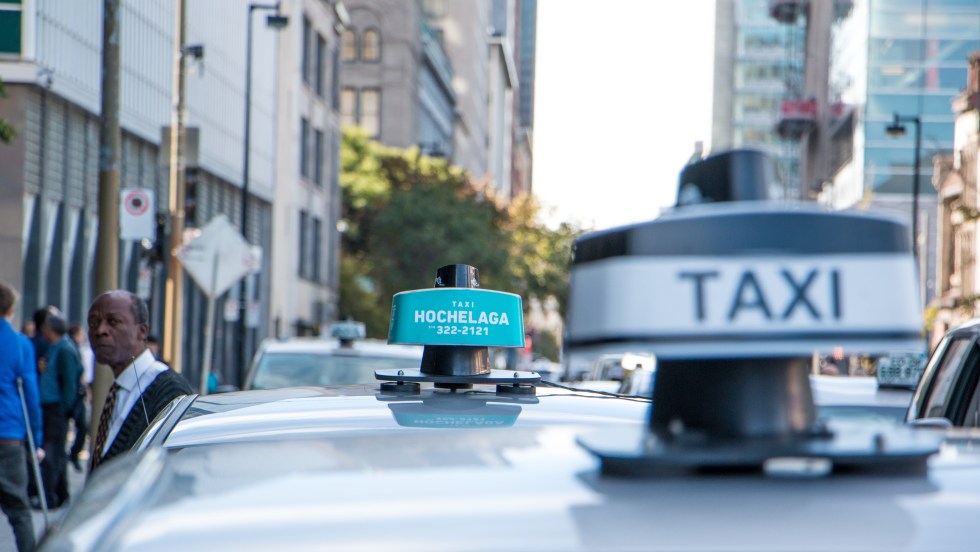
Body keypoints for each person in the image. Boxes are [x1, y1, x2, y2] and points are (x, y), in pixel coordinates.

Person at [87, 290, 192, 471]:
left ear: (141, 331)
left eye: (114, 322)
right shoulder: (119, 388)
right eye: (93, 323)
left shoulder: (169, 390)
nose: (100, 330)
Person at [0, 282, 43, 552]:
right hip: (9, 436)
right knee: (19, 509)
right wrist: (35, 440)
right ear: (12, 310)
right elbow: (30, 395)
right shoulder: (20, 344)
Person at [37, 313, 81, 508]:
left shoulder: (65, 349)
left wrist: (63, 408)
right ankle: (59, 494)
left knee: (52, 454)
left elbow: (70, 383)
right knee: (55, 453)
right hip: (50, 406)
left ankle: (52, 497)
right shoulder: (55, 348)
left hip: (56, 409)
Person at [67, 323, 93, 471]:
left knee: (82, 427)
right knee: (82, 426)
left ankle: (74, 454)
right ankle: (74, 454)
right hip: (75, 396)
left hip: (78, 394)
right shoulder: (72, 349)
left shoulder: (75, 349)